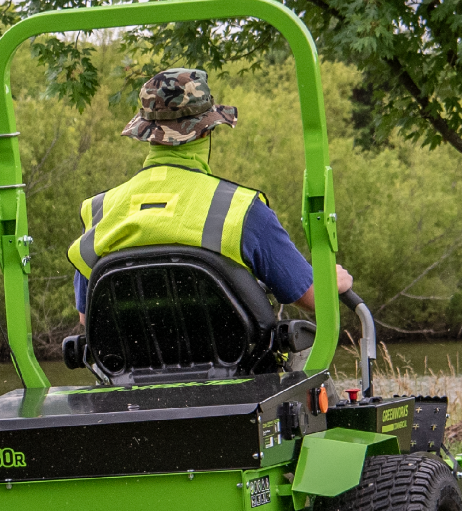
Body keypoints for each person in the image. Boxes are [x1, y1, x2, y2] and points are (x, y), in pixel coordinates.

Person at [68, 68, 352, 325]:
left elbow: (86, 316)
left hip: (131, 366)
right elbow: (312, 298)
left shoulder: (99, 211)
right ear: (207, 130)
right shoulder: (242, 210)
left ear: (147, 134)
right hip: (233, 366)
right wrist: (332, 281)